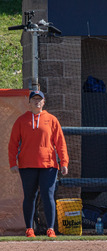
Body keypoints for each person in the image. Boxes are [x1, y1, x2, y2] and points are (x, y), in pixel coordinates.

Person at [8, 90, 69, 238]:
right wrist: (12, 163)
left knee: (48, 196)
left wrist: (64, 162)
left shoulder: (52, 119)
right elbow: (13, 144)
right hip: (27, 165)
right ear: (28, 103)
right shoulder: (21, 120)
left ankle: (50, 229)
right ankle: (29, 229)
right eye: (34, 99)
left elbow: (60, 143)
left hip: (48, 165)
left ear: (43, 102)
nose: (37, 102)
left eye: (39, 99)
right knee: (29, 196)